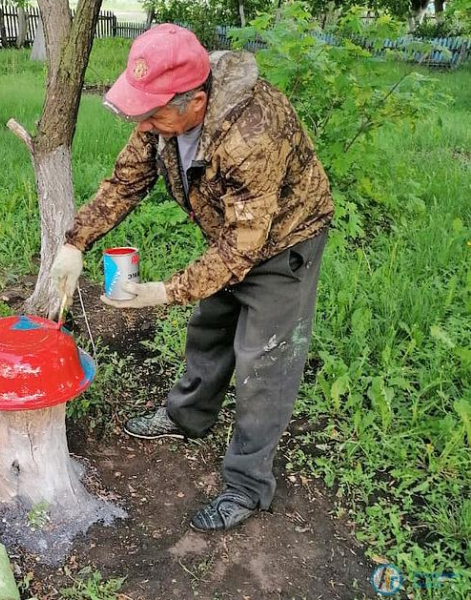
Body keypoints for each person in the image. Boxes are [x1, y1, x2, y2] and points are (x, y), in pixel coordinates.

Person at [50, 23, 334, 531]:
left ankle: (247, 486)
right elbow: (124, 184)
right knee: (211, 326)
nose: (144, 123)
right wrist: (75, 242)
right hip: (234, 233)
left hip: (286, 238)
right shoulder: (161, 120)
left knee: (263, 363)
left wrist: (164, 291)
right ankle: (187, 417)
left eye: (154, 112)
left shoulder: (252, 134)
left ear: (195, 104)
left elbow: (246, 246)